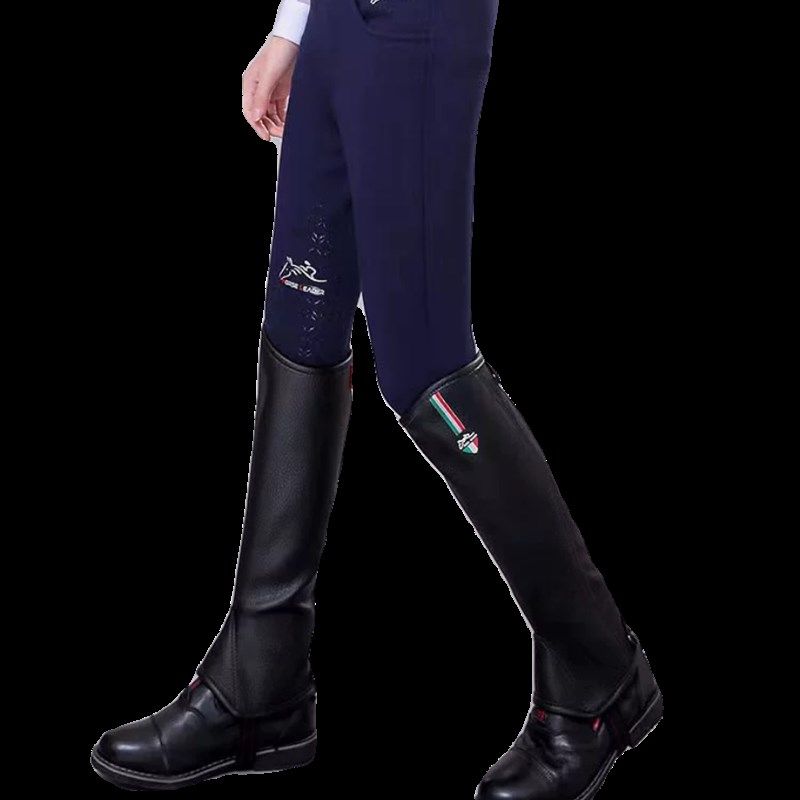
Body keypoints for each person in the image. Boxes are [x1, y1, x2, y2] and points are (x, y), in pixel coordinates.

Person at [90, 2, 662, 797]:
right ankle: (261, 676)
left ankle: (597, 667)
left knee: (425, 364)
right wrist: (294, 27)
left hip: (420, 27)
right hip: (338, 25)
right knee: (301, 316)